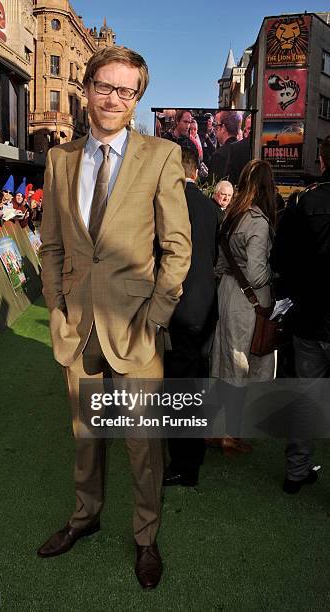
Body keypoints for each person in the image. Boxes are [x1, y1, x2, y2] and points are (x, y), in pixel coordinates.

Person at [37, 45, 191, 590]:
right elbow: (51, 246)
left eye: (126, 91)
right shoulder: (59, 161)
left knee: (143, 445)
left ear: (138, 99)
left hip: (137, 329)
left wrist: (157, 316)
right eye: (105, 86)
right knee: (85, 436)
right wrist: (56, 309)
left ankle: (146, 538)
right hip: (76, 328)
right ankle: (85, 517)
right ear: (87, 89)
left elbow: (177, 249)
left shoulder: (162, 156)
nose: (114, 99)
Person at [270, 136, 330, 493]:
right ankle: (296, 470)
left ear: (321, 162)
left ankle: (297, 470)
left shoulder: (304, 202)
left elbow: (280, 261)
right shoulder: (304, 202)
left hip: (309, 318)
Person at [211, 160, 277, 454]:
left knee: (224, 360)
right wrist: (276, 274)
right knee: (244, 363)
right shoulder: (258, 222)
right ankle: (231, 433)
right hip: (250, 300)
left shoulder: (233, 216)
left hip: (227, 291)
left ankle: (217, 427)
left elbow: (221, 265)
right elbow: (256, 273)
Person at [164, 147, 218, 487]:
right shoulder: (211, 206)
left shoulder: (174, 203)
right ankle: (192, 454)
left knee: (180, 388)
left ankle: (185, 464)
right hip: (205, 306)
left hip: (180, 306)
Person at [208, 110, 241, 184]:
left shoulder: (219, 155)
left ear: (223, 127)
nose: (214, 129)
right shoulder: (245, 151)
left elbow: (212, 188)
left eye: (216, 125)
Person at [227, 114, 252, 187]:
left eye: (251, 128)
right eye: (248, 128)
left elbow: (229, 178)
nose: (250, 131)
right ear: (245, 129)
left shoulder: (235, 147)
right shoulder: (235, 148)